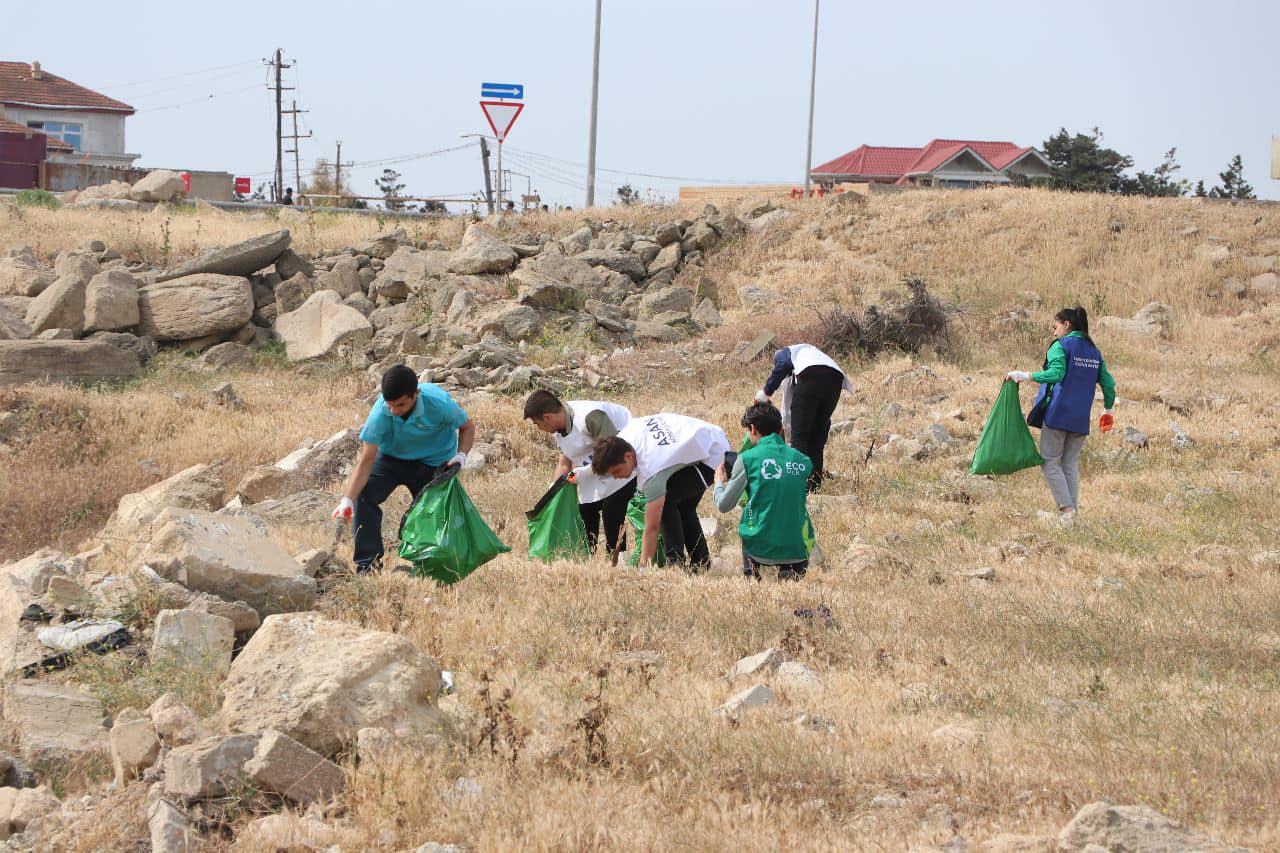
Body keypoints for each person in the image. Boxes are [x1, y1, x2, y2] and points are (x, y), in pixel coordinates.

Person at [332, 364, 475, 572]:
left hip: (433, 462)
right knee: (363, 495)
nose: (394, 411)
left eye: (400, 405)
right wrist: (347, 500)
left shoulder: (439, 403)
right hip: (391, 459)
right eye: (390, 405)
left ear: (416, 393)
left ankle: (427, 569)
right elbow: (366, 461)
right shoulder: (380, 413)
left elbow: (467, 427)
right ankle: (368, 565)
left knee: (432, 513)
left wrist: (461, 456)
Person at [1006, 306, 1116, 527]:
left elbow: (1056, 373)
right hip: (1080, 419)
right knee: (1070, 465)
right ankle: (1071, 516)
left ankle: (1067, 510)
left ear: (1067, 325)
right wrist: (1107, 410)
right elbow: (1109, 384)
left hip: (1057, 414)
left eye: (1055, 326)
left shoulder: (1060, 346)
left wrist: (1024, 375)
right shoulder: (1094, 352)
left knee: (1049, 461)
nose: (1053, 331)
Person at [590, 413, 729, 570]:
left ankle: (675, 564)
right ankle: (701, 563)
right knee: (684, 508)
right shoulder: (624, 438)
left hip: (713, 456)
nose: (616, 477)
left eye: (616, 471)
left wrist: (644, 569)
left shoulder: (651, 470)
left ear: (628, 456)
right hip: (706, 435)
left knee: (667, 502)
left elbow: (652, 527)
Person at [523, 390, 635, 555]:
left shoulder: (590, 417)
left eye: (537, 424)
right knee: (584, 510)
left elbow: (613, 454)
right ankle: (585, 556)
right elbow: (564, 464)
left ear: (547, 417)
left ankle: (617, 559)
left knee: (611, 510)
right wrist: (552, 494)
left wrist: (583, 473)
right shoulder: (559, 428)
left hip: (623, 462)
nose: (539, 428)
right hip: (596, 466)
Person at [714, 403, 814, 581]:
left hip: (759, 547)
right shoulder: (803, 460)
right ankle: (789, 573)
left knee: (750, 522)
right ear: (781, 429)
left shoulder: (747, 459)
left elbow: (723, 505)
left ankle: (752, 577)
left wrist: (719, 483)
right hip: (798, 549)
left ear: (752, 429)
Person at [755, 343, 852, 492]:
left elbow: (781, 367)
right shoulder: (809, 353)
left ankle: (798, 485)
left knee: (800, 437)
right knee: (817, 437)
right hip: (835, 381)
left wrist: (764, 394)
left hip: (811, 377)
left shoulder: (784, 354)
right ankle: (814, 484)